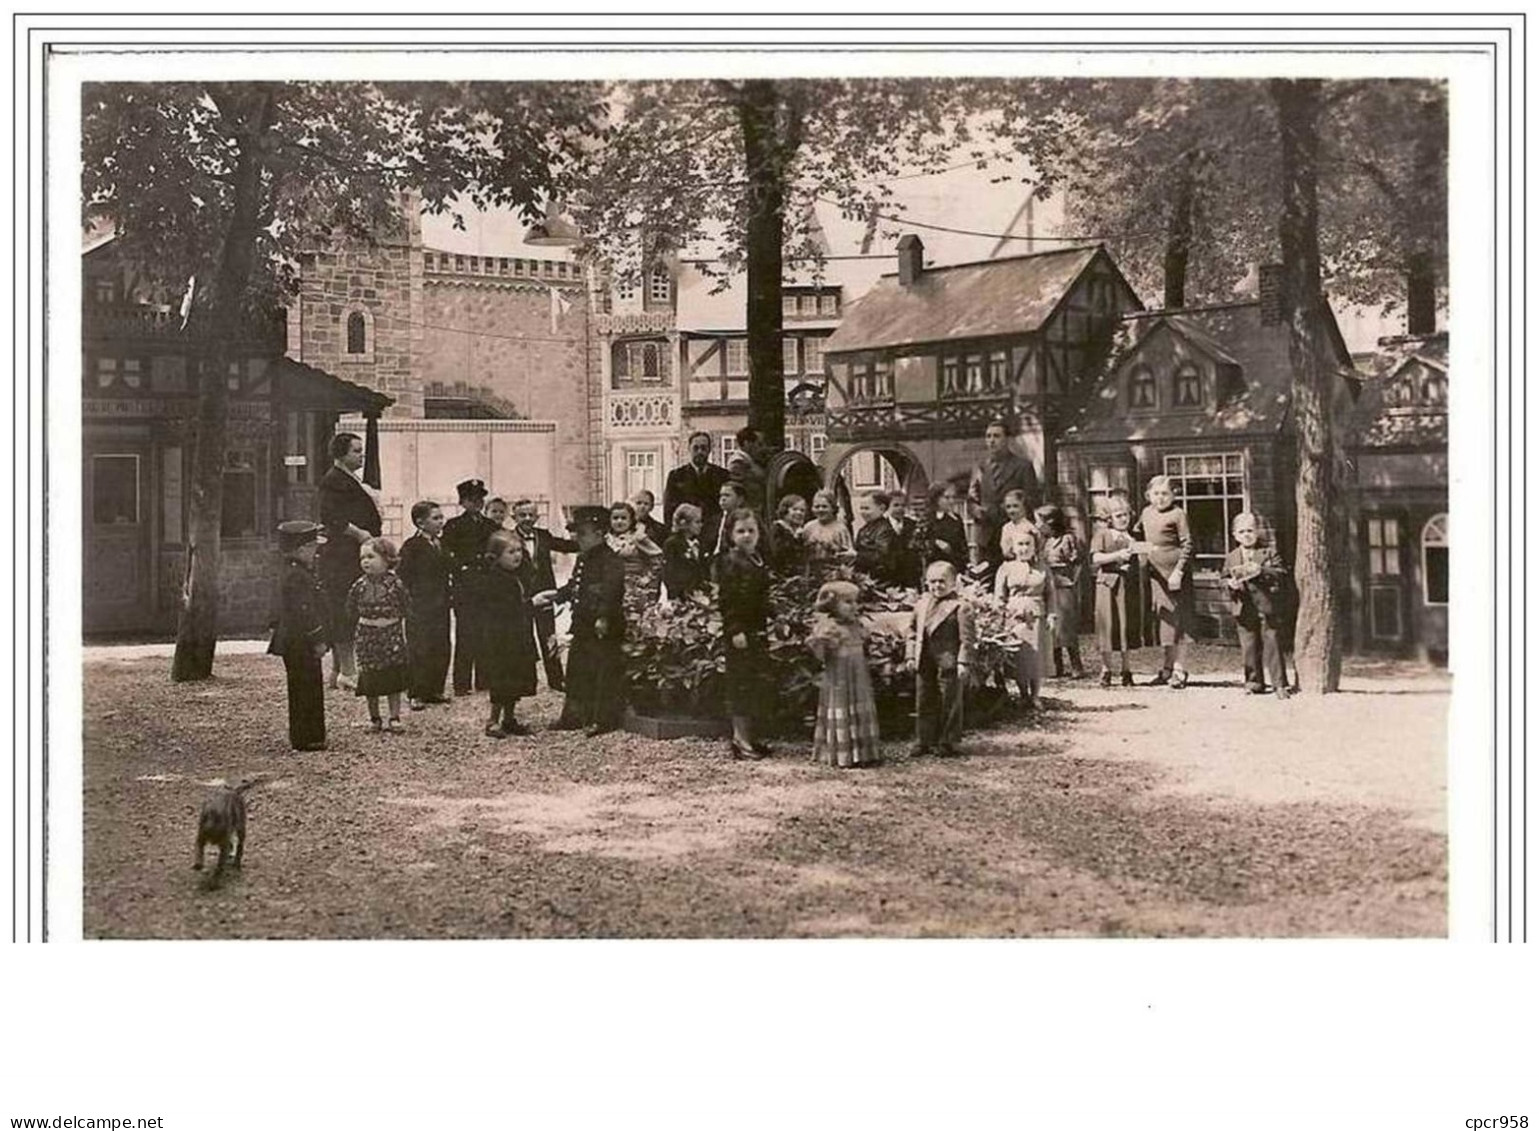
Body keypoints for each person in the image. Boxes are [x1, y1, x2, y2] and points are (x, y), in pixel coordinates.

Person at [532, 507, 627, 736]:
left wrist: (603, 617)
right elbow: (576, 585)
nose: (577, 539)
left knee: (601, 671)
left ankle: (602, 719)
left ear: (600, 534)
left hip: (602, 625)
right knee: (577, 670)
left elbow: (611, 591)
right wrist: (556, 595)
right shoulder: (585, 557)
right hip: (583, 622)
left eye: (582, 534)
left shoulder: (610, 559)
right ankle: (574, 715)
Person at [315, 431, 382, 690]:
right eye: (356, 450)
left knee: (349, 610)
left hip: (352, 554)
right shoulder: (332, 481)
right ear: (341, 454)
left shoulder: (348, 479)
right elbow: (333, 518)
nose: (361, 454)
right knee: (344, 612)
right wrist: (361, 534)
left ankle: (338, 671)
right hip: (342, 556)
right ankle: (348, 671)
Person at [716, 508, 773, 760]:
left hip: (757, 630)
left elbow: (761, 597)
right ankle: (739, 739)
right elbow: (727, 601)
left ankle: (751, 736)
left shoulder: (756, 559)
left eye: (751, 530)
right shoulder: (730, 562)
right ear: (730, 534)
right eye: (741, 531)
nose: (747, 535)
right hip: (739, 632)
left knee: (755, 682)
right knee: (740, 683)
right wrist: (735, 629)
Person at [267, 520, 330, 752]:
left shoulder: (291, 571)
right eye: (313, 547)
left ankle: (306, 734)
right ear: (302, 549)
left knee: (303, 685)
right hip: (300, 640)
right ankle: (308, 735)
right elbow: (305, 612)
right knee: (307, 686)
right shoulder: (298, 576)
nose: (315, 553)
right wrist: (318, 638)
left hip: (293, 639)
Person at [807, 580, 880, 769]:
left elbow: (867, 649)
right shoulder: (829, 627)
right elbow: (820, 656)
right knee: (841, 707)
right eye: (848, 602)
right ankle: (842, 753)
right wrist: (819, 641)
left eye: (855, 602)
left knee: (860, 707)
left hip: (859, 677)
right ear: (832, 605)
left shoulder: (857, 626)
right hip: (839, 679)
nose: (854, 606)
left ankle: (863, 752)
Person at [907, 560, 975, 758]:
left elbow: (967, 639)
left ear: (953, 583)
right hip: (924, 657)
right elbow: (911, 632)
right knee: (924, 698)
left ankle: (948, 741)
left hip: (949, 659)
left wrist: (963, 661)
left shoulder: (961, 607)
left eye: (942, 582)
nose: (937, 586)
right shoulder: (921, 605)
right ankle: (924, 739)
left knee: (950, 700)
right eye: (932, 582)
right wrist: (911, 654)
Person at [512, 498, 579, 693]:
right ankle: (527, 682)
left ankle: (557, 680)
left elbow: (565, 546)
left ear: (537, 516)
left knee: (548, 636)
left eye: (531, 515)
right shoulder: (507, 537)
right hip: (521, 596)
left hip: (545, 593)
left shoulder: (544, 535)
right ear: (513, 516)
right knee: (524, 637)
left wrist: (587, 543)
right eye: (522, 515)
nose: (527, 518)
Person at [346, 537, 412, 734]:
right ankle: (374, 718)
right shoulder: (359, 586)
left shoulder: (396, 584)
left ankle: (394, 716)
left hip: (390, 635)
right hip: (367, 636)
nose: (366, 561)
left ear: (387, 559)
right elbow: (350, 609)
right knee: (370, 678)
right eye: (362, 558)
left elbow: (407, 606)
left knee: (393, 676)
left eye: (371, 557)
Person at [1224, 512, 1292, 700]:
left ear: (1257, 532)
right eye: (1242, 531)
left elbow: (1281, 573)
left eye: (1250, 531)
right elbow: (1224, 578)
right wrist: (1230, 584)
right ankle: (1254, 682)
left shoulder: (1268, 552)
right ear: (1235, 535)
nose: (1247, 535)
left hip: (1266, 604)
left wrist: (1262, 570)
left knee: (1273, 644)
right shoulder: (1232, 557)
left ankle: (1279, 684)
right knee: (1249, 646)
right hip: (1244, 606)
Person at [480, 529, 540, 736]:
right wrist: (532, 604)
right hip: (502, 638)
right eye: (510, 552)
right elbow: (505, 609)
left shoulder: (515, 576)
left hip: (517, 635)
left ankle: (509, 718)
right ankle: (492, 720)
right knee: (502, 678)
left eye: (518, 551)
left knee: (515, 677)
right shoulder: (494, 579)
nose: (517, 556)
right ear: (496, 557)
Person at [1137, 474, 1194, 688]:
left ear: (1173, 495)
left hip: (1175, 577)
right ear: (1148, 495)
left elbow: (1188, 545)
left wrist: (1178, 572)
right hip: (1155, 577)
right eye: (1156, 493)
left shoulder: (1178, 514)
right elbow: (1137, 536)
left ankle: (1180, 669)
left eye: (1165, 494)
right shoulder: (1146, 513)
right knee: (1166, 622)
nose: (1160, 498)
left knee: (1180, 622)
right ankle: (1166, 668)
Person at [442, 479, 498, 695]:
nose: (477, 503)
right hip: (465, 586)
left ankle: (484, 680)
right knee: (465, 634)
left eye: (480, 499)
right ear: (463, 502)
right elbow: (446, 553)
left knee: (486, 632)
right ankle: (462, 684)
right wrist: (462, 568)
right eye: (472, 500)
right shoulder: (453, 526)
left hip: (487, 585)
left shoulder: (491, 526)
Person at [398, 500, 452, 710]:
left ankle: (434, 689)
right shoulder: (411, 546)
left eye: (441, 518)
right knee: (419, 648)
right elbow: (403, 576)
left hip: (441, 603)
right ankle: (416, 692)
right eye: (436, 518)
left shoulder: (441, 544)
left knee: (441, 645)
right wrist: (408, 603)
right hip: (419, 605)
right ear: (420, 522)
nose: (441, 522)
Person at [1089, 490, 1145, 687]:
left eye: (1127, 514)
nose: (1124, 519)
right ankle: (1106, 669)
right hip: (1106, 585)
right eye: (1119, 515)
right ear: (1109, 518)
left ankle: (1126, 669)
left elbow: (1144, 558)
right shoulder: (1103, 535)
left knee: (1124, 624)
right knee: (1107, 625)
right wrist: (1117, 556)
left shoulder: (1134, 537)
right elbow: (1095, 558)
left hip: (1126, 586)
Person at [968, 418, 1039, 571]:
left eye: (996, 436)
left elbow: (1032, 500)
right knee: (986, 580)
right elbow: (972, 499)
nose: (991, 441)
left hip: (1015, 535)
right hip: (986, 536)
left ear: (1007, 439)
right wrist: (976, 511)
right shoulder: (980, 467)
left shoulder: (1023, 466)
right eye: (988, 436)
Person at [995, 527, 1051, 711]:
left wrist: (1052, 615)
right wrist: (999, 614)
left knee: (1035, 657)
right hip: (1014, 617)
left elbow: (1051, 594)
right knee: (1019, 656)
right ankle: (1023, 694)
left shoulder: (1043, 568)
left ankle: (1035, 695)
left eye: (1028, 544)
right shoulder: (1006, 568)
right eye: (1020, 544)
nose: (1024, 548)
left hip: (1035, 617)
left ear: (1035, 546)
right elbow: (999, 595)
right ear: (1013, 546)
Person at [1037, 504, 1087, 680]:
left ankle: (1076, 665)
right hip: (1048, 585)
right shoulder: (1044, 541)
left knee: (1067, 627)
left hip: (1064, 585)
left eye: (1040, 522)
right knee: (1053, 628)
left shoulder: (1067, 539)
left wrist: (1073, 580)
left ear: (1051, 522)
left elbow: (1079, 561)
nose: (1037, 526)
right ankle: (1056, 666)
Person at [663, 430, 730, 532]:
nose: (700, 452)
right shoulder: (676, 476)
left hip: (714, 533)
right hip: (686, 534)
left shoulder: (722, 475)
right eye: (696, 448)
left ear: (709, 450)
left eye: (703, 448)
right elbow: (669, 510)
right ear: (689, 449)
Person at [608, 499, 664, 620]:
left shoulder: (638, 538)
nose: (619, 521)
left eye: (623, 518)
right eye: (615, 518)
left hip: (634, 590)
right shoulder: (606, 540)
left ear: (631, 520)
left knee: (634, 622)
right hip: (612, 589)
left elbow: (659, 557)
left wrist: (648, 577)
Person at [800, 488, 855, 578]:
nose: (820, 510)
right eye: (817, 507)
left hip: (833, 574)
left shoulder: (840, 529)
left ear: (833, 508)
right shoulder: (808, 527)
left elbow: (849, 555)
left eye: (824, 506)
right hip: (811, 574)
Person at [661, 503, 709, 602]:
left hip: (698, 594)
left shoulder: (699, 543)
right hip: (680, 595)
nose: (701, 525)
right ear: (684, 523)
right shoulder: (672, 544)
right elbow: (669, 573)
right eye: (697, 522)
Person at [918, 481, 968, 574]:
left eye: (953, 497)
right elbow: (917, 543)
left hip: (954, 567)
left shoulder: (956, 519)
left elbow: (963, 546)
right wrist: (935, 543)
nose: (951, 501)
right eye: (947, 498)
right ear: (936, 499)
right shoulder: (927, 519)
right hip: (933, 567)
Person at [853, 490, 901, 587]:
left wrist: (857, 555)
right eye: (861, 508)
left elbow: (883, 557)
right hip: (865, 578)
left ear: (882, 509)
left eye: (867, 508)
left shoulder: (884, 530)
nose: (863, 512)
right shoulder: (864, 529)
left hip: (881, 580)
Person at [727, 425, 771, 513]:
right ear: (747, 444)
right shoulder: (738, 463)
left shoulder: (751, 462)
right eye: (759, 444)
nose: (763, 448)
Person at [707, 480, 752, 560]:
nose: (722, 499)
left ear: (740, 499)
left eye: (727, 495)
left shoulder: (748, 520)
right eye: (721, 495)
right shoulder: (714, 521)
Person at [887, 493, 922, 589]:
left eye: (903, 505)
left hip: (909, 574)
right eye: (896, 505)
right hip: (890, 575)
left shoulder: (913, 525)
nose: (900, 509)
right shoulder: (882, 525)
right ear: (887, 507)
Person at [770, 493, 809, 578]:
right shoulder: (778, 530)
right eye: (795, 509)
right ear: (785, 510)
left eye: (802, 510)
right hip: (780, 576)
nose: (799, 513)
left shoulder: (801, 533)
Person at [997, 489, 1038, 566]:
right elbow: (1005, 551)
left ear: (1024, 507)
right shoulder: (1006, 528)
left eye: (1015, 506)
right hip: (1009, 565)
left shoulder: (1029, 528)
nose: (1011, 511)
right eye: (1008, 507)